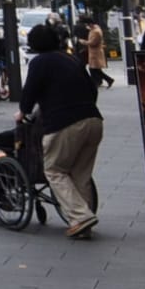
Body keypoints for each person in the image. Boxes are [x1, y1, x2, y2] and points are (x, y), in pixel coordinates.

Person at [19, 24, 103, 237]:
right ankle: (83, 225)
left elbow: (29, 92)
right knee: (80, 174)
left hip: (64, 123)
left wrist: (23, 112)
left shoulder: (40, 62)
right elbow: (92, 89)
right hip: (93, 120)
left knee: (54, 170)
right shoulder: (71, 58)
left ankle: (82, 216)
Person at [81, 14, 115, 89]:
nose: (87, 26)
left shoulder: (96, 32)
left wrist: (83, 42)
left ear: (90, 24)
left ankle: (99, 81)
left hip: (95, 53)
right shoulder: (94, 29)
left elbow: (93, 42)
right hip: (94, 52)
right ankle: (107, 80)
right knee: (95, 69)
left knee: (93, 69)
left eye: (87, 24)